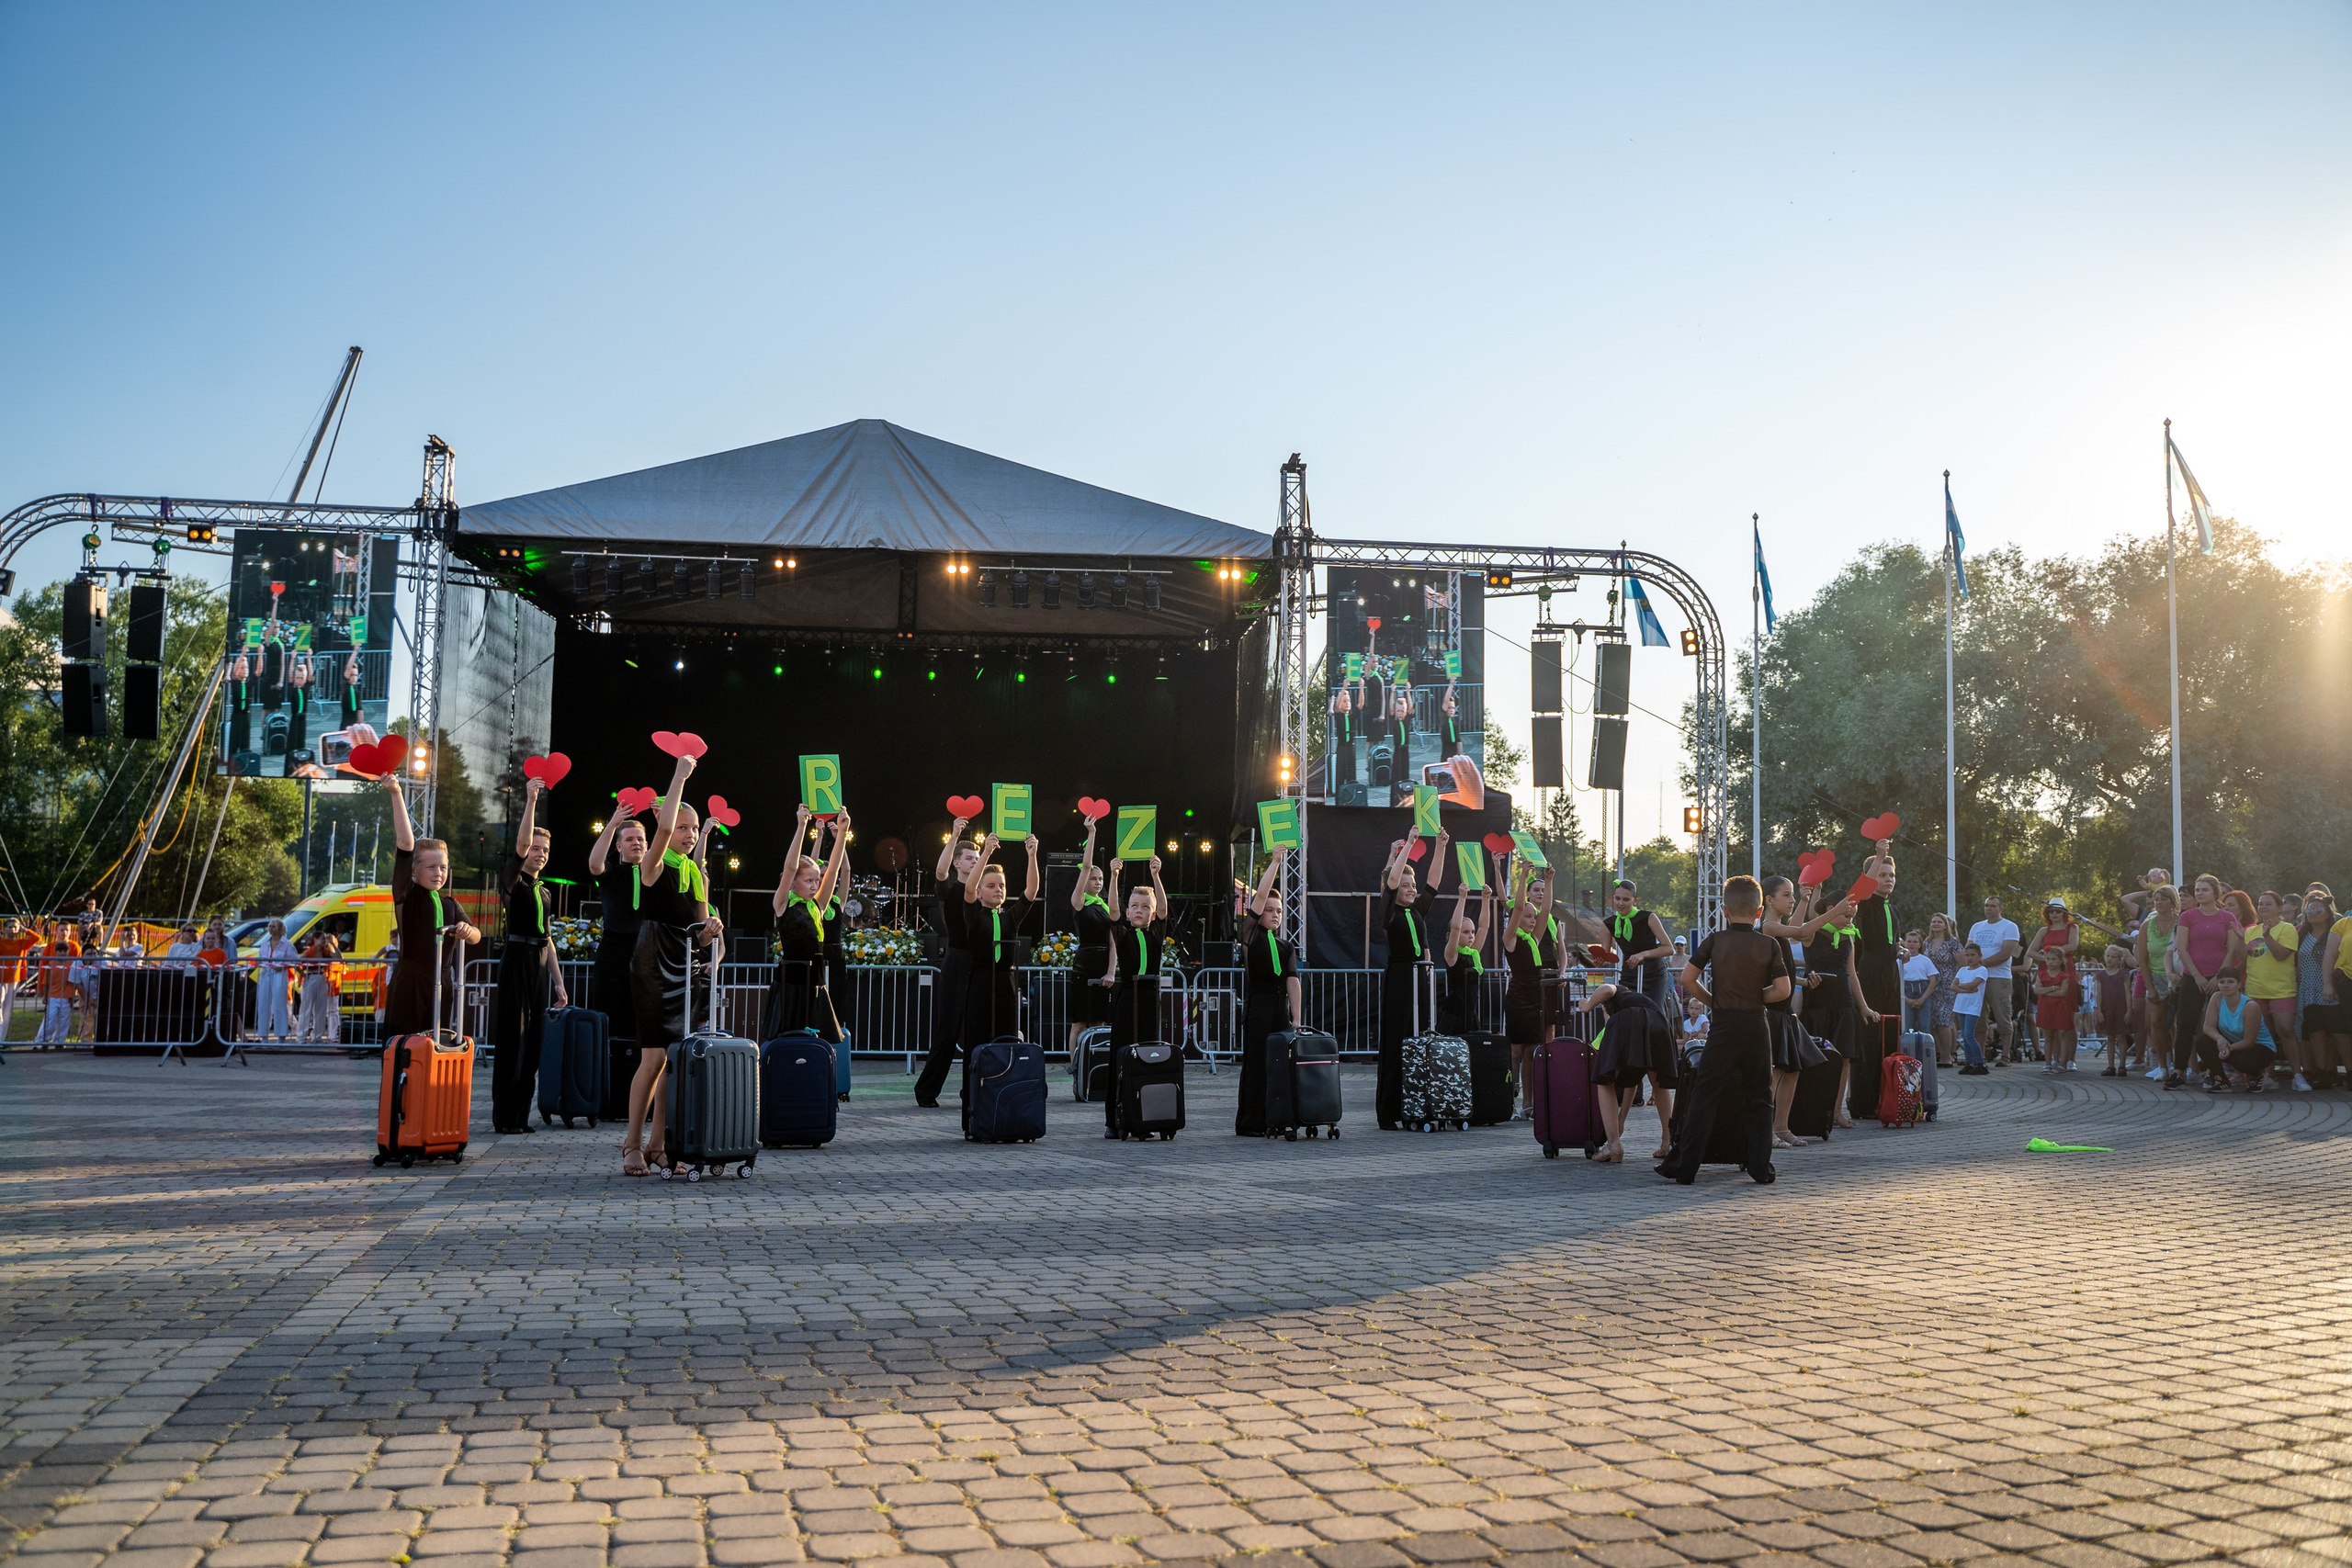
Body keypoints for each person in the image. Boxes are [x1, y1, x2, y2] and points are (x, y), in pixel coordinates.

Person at [621, 758, 723, 1175]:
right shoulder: (653, 864)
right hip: (652, 960)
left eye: (694, 828)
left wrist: (711, 931)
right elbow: (659, 830)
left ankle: (659, 1145)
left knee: (674, 1059)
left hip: (685, 963)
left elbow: (698, 934)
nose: (689, 834)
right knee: (652, 1057)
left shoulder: (696, 875)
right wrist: (680, 777)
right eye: (683, 827)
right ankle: (631, 1143)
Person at [1659, 876, 1790, 1186]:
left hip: (1724, 1025)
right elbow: (1783, 989)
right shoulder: (1768, 944)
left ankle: (1686, 1167)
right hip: (1757, 1024)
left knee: (1705, 1095)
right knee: (1760, 1096)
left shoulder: (1715, 941)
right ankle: (1760, 1168)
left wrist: (1713, 1001)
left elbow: (1688, 979)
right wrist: (1758, 998)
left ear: (1725, 910)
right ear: (1760, 911)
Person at [490, 775, 570, 1134]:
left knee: (534, 1041)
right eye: (537, 849)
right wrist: (531, 800)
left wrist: (558, 981)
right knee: (512, 1040)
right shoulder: (513, 882)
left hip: (539, 965)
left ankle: (522, 1116)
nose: (540, 854)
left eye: (545, 850)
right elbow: (520, 846)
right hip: (516, 961)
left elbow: (548, 939)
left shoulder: (545, 891)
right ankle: (505, 1118)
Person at [379, 771, 482, 1045]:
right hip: (410, 982)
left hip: (443, 983)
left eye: (443, 867)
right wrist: (397, 793)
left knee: (437, 1047)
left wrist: (466, 930)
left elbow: (476, 936)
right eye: (431, 867)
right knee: (405, 1049)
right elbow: (405, 844)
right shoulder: (407, 894)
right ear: (413, 872)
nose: (439, 873)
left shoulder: (450, 903)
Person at [960, 830, 1042, 1130]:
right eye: (991, 886)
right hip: (980, 985)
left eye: (1001, 886)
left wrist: (1031, 854)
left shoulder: (1010, 917)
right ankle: (972, 1116)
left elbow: (1031, 890)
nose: (997, 890)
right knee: (976, 1049)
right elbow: (968, 890)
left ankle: (1004, 1112)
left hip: (1006, 986)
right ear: (981, 891)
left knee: (1007, 1045)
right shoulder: (974, 915)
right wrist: (987, 855)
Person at [1759, 876, 1844, 1146]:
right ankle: (1767, 1131)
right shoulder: (1767, 927)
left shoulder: (1779, 927)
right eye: (1787, 895)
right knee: (1775, 1072)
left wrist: (1803, 981)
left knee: (1792, 1069)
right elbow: (1802, 931)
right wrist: (1835, 910)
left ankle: (1782, 1127)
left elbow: (1797, 928)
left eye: (1793, 895)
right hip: (1771, 1010)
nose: (1792, 899)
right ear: (1769, 900)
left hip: (1784, 1010)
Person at [763, 805, 851, 1043]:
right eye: (809, 881)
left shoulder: (818, 906)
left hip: (815, 981)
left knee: (818, 1041)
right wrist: (802, 826)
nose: (815, 886)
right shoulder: (783, 904)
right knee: (789, 1040)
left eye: (817, 881)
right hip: (791, 984)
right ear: (793, 882)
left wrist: (842, 833)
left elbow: (833, 870)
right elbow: (790, 866)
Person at [913, 821, 983, 1109]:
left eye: (978, 858)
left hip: (979, 964)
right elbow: (940, 873)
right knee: (948, 1029)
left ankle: (972, 1091)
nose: (975, 861)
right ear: (957, 862)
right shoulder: (952, 889)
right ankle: (926, 1091)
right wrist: (955, 835)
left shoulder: (986, 892)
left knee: (977, 1030)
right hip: (956, 961)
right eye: (969, 857)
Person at [1099, 854, 1170, 1135]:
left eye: (1145, 907)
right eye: (1134, 906)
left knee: (1150, 1056)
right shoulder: (1123, 933)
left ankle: (1147, 1118)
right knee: (1121, 1056)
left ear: (1151, 914)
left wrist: (1155, 875)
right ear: (1128, 912)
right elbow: (1112, 912)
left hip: (1150, 998)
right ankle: (1114, 1121)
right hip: (1127, 997)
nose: (1139, 910)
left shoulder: (1156, 934)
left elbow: (1164, 909)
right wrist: (1114, 877)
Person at [585, 797, 650, 1098]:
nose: (636, 843)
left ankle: (636, 1095)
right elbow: (594, 864)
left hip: (645, 953)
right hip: (613, 952)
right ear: (619, 846)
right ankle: (605, 1092)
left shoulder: (654, 874)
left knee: (642, 1023)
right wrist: (613, 822)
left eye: (641, 839)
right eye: (630, 839)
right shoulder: (610, 873)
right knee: (608, 1018)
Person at [1235, 850, 1301, 1137]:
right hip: (1258, 1004)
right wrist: (1275, 862)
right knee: (1256, 1063)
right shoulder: (1251, 935)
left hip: (1279, 1007)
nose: (1274, 915)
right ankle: (1252, 1122)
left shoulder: (1286, 946)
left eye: (1278, 911)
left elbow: (1293, 980)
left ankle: (1279, 1116)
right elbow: (1257, 901)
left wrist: (1296, 1018)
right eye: (1270, 911)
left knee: (1282, 1064)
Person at [1374, 833, 1436, 1131]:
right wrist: (1408, 846)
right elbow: (1390, 881)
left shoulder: (1417, 910)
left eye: (1414, 885)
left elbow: (1433, 885)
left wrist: (1443, 846)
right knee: (1397, 1041)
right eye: (1407, 885)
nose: (1412, 889)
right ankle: (1389, 1111)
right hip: (1399, 978)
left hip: (1419, 979)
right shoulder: (1389, 913)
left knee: (1421, 1039)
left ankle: (1417, 1105)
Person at [1500, 860, 1569, 1121]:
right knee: (1515, 1052)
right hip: (1518, 998)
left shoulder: (1535, 938)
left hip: (1536, 997)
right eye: (1527, 917)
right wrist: (1523, 876)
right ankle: (1508, 1101)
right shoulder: (1511, 939)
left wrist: (1549, 881)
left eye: (1533, 917)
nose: (1531, 920)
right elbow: (1517, 907)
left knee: (1531, 1051)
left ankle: (1528, 1105)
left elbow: (1547, 908)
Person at [2168, 874, 2244, 1090]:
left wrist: (2217, 978)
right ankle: (2178, 1071)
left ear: (2215, 893)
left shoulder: (2227, 917)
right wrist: (2199, 977)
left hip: (2220, 980)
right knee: (2185, 1025)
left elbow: (2231, 950)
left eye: (2204, 890)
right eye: (2198, 890)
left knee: (2217, 1027)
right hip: (2193, 978)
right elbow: (2181, 948)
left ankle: (2217, 1072)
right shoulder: (2187, 916)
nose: (2200, 893)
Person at [1849, 855, 1905, 1116]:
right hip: (1870, 972)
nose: (1888, 880)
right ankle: (1863, 1102)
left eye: (1891, 875)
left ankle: (1888, 1097)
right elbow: (1859, 891)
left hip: (1891, 973)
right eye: (1882, 875)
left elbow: (1889, 943)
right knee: (1870, 1037)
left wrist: (1899, 950)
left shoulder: (1893, 909)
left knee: (1891, 1034)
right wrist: (1879, 854)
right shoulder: (1867, 904)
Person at [2242, 891, 2302, 1090]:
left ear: (2279, 907)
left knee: (2285, 1030)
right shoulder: (2251, 931)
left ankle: (2297, 1075)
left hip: (2281, 989)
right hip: (2256, 988)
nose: (2264, 908)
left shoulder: (2287, 929)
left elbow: (2281, 955)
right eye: (2260, 904)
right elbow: (2247, 958)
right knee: (2263, 1033)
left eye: (2268, 904)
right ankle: (2269, 1076)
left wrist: (2268, 936)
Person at [1068, 815, 1114, 1062]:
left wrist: (1111, 971)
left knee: (1099, 1021)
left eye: (1100, 880)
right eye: (1094, 879)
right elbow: (1086, 867)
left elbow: (1114, 941)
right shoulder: (1079, 903)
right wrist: (1092, 833)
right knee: (1079, 1022)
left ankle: (1095, 1063)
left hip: (1102, 966)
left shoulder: (1106, 907)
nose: (1097, 882)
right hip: (1084, 965)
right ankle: (1075, 1065)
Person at [2297, 888, 2345, 1090]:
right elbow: (2294, 958)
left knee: (2337, 1033)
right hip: (2308, 990)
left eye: (2318, 910)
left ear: (2328, 912)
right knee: (2315, 1032)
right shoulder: (2302, 934)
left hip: (2332, 988)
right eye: (2310, 910)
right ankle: (2321, 1072)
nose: (2314, 914)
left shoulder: (2336, 932)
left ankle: (2336, 1072)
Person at [1966, 896, 2023, 1064]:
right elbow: (1968, 949)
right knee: (1978, 1017)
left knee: (2002, 1015)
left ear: (2000, 909)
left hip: (1999, 977)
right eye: (1986, 905)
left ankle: (2005, 1055)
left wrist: (1980, 963)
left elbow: (2005, 954)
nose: (1988, 908)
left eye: (1992, 906)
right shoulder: (1976, 927)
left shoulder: (2009, 927)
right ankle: (1979, 1055)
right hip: (1978, 977)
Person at [1604, 881, 1675, 1013]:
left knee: (1654, 1012)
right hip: (1629, 974)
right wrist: (1600, 960)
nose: (1621, 903)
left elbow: (1669, 948)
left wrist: (1643, 954)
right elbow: (1606, 956)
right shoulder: (1608, 924)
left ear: (1635, 900)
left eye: (1626, 899)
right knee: (1623, 1010)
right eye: (1617, 898)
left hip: (1654, 975)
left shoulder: (1649, 918)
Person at [2200, 968, 2275, 1091]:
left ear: (2239, 984)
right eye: (2222, 982)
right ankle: (2222, 1080)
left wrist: (2227, 1048)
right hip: (2232, 1043)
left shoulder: (2250, 1006)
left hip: (2260, 1047)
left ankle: (2257, 1076)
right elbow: (2208, 1027)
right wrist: (2220, 1039)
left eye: (2230, 982)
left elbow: (2249, 1041)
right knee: (2203, 1042)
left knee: (2239, 1060)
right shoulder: (2216, 998)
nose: (2226, 985)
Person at [2134, 885, 2180, 1081]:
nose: (2159, 903)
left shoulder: (2181, 922)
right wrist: (2150, 987)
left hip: (2178, 977)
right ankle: (2163, 1066)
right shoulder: (2147, 924)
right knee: (2157, 1022)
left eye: (2163, 899)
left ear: (2173, 902)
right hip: (2155, 976)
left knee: (2179, 1023)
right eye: (2156, 899)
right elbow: (2142, 959)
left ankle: (2181, 1064)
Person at [1922, 912, 1962, 1067]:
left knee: (1945, 1020)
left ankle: (1948, 1056)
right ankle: (1940, 1054)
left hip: (1948, 986)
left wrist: (1959, 985)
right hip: (1932, 986)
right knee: (1935, 1021)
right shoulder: (1927, 942)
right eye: (1933, 921)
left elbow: (1963, 965)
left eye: (1939, 922)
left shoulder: (1953, 943)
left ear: (1946, 925)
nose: (1936, 924)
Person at [32, 927, 79, 1046]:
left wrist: (74, 994)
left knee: (64, 1020)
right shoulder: (50, 965)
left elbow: (74, 981)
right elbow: (46, 982)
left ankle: (60, 1041)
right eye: (60, 951)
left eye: (65, 951)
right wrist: (45, 995)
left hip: (67, 996)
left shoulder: (72, 965)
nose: (62, 953)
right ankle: (42, 1040)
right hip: (53, 996)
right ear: (56, 952)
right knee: (50, 1019)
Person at [254, 919, 300, 1040]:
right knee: (263, 1004)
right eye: (270, 926)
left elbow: (295, 960)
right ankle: (263, 1036)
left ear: (280, 929)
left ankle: (281, 1036)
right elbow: (261, 959)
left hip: (280, 974)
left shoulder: (287, 944)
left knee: (280, 1004)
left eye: (274, 926)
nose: (271, 929)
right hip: (266, 974)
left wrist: (283, 965)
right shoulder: (265, 944)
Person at [2092, 945, 2133, 1075]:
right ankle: (2110, 1066)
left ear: (2119, 959)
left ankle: (2122, 1065)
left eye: (2113, 957)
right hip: (2107, 1008)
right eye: (2108, 956)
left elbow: (2127, 993)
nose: (2109, 959)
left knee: (2121, 1036)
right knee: (2109, 1037)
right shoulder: (2101, 975)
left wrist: (2129, 1010)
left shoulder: (2123, 975)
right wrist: (2099, 1010)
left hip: (2120, 1008)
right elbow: (2099, 994)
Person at [1950, 943, 1990, 1073]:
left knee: (1969, 1035)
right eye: (1967, 955)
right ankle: (1969, 1062)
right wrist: (1966, 989)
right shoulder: (1962, 970)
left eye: (1973, 955)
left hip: (1972, 1007)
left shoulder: (1982, 970)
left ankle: (1980, 1062)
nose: (1969, 958)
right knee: (1965, 1036)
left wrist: (1962, 987)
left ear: (1979, 956)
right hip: (1961, 1005)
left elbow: (1973, 985)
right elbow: (1953, 986)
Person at [297, 932, 343, 1044]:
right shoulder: (309, 952)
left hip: (322, 978)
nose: (324, 941)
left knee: (321, 1009)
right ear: (315, 939)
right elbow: (296, 961)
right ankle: (301, 1037)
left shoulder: (325, 951)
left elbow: (338, 957)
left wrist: (332, 944)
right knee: (306, 1008)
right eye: (322, 939)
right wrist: (302, 974)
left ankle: (317, 1036)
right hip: (311, 977)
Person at [0, 917, 40, 1030]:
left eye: (15, 927)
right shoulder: (1, 941)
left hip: (14, 978)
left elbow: (37, 938)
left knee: (7, 1010)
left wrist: (25, 930)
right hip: (1, 978)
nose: (12, 930)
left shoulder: (22, 942)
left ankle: (2, 1039)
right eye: (10, 927)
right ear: (5, 929)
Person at [1900, 932, 1939, 1036]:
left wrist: (1922, 999)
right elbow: (1897, 983)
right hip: (1906, 994)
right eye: (1909, 941)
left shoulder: (1925, 960)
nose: (1912, 944)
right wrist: (1907, 999)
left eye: (1915, 942)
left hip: (1923, 993)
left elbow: (1932, 982)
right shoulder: (1899, 961)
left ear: (1920, 944)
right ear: (1905, 943)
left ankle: (1924, 1050)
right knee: (1907, 1028)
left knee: (1925, 1027)